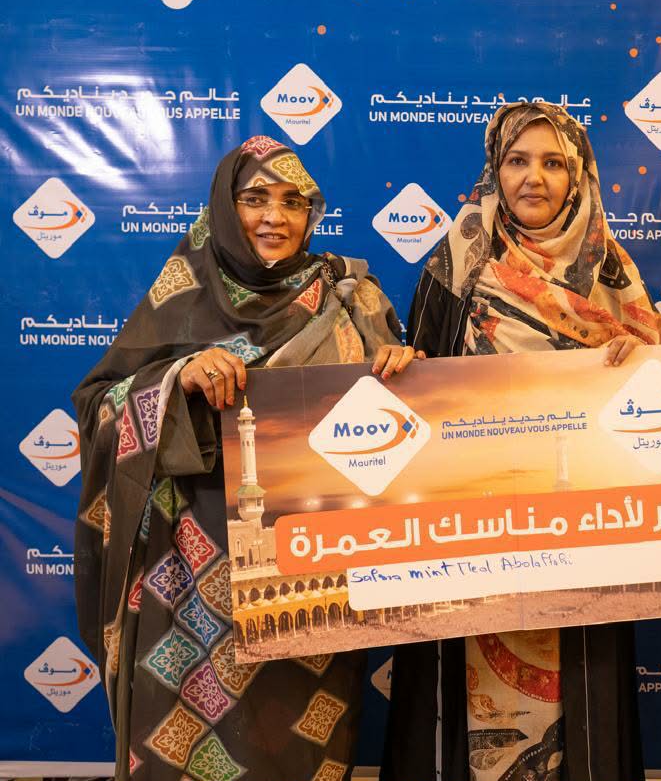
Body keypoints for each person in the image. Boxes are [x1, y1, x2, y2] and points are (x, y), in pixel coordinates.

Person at [73, 135, 418, 781]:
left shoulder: (351, 295)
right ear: (226, 208)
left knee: (298, 750)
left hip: (311, 573)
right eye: (255, 198)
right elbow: (97, 405)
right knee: (180, 752)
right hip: (186, 581)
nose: (274, 217)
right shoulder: (184, 289)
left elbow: (398, 425)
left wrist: (404, 370)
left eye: (293, 202)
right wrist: (174, 378)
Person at [380, 102, 661, 781]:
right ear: (495, 170)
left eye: (553, 163)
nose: (533, 177)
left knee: (579, 706)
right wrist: (403, 367)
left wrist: (641, 363)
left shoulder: (612, 273)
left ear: (578, 176)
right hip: (470, 536)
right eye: (517, 160)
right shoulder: (456, 260)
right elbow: (419, 390)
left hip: (582, 537)